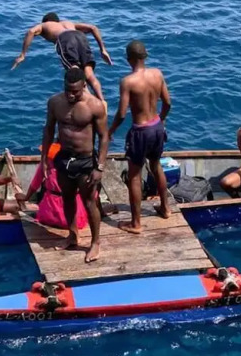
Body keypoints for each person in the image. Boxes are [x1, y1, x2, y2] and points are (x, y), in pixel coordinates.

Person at [42, 68, 109, 263]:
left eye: (76, 91)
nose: (71, 95)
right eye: (68, 90)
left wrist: (100, 167)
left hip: (86, 161)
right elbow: (48, 130)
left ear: (84, 86)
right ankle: (72, 236)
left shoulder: (95, 106)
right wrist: (44, 158)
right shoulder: (55, 102)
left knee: (89, 202)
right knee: (67, 197)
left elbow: (104, 137)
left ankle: (95, 242)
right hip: (64, 158)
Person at [108, 40, 171, 232]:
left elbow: (121, 114)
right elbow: (167, 103)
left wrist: (110, 131)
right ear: (145, 55)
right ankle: (165, 208)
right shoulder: (157, 74)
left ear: (129, 59)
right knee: (156, 166)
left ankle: (136, 223)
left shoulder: (128, 82)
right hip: (156, 127)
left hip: (140, 131)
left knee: (134, 176)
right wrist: (161, 120)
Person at [11, 12, 112, 101]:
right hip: (80, 36)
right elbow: (92, 28)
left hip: (65, 39)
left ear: (46, 21)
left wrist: (22, 54)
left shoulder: (44, 25)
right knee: (89, 74)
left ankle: (89, 104)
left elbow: (31, 31)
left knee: (74, 73)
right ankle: (102, 101)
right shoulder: (69, 23)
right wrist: (103, 50)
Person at [15, 143, 88, 230]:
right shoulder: (75, 164)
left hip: (51, 214)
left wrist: (26, 197)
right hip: (76, 218)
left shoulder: (44, 165)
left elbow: (35, 184)